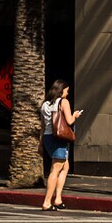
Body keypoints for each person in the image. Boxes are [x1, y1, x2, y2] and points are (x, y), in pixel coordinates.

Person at [40, 78, 79, 210]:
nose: (67, 93)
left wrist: (40, 144)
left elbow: (42, 126)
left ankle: (58, 198)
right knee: (55, 169)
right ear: (61, 90)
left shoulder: (45, 104)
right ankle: (47, 202)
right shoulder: (63, 102)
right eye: (66, 91)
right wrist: (75, 115)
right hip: (59, 138)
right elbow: (69, 120)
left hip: (48, 137)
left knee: (65, 167)